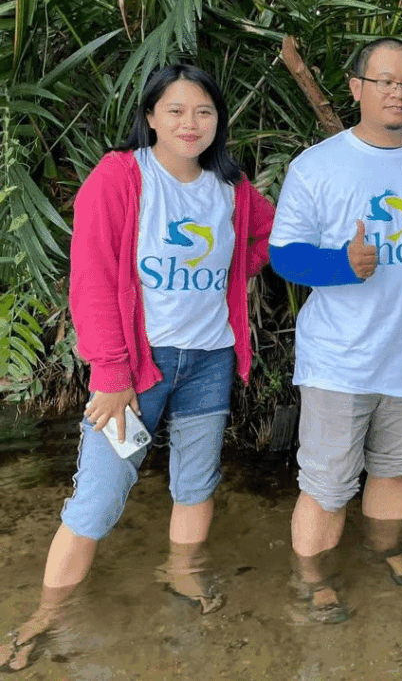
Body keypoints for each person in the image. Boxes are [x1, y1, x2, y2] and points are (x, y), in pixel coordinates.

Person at [0, 64, 275, 672]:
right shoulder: (120, 176)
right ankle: (46, 613)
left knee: (196, 483)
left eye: (204, 112)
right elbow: (92, 278)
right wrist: (112, 372)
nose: (190, 123)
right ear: (150, 116)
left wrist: (237, 273)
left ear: (217, 121)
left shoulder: (231, 186)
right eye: (175, 110)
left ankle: (180, 573)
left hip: (208, 360)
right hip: (134, 371)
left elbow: (266, 237)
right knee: (97, 497)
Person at [269, 37, 402, 623]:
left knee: (395, 467)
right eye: (384, 81)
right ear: (356, 87)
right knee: (328, 482)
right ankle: (311, 580)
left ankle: (386, 548)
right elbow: (284, 254)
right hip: (340, 358)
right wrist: (340, 265)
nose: (398, 93)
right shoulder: (319, 164)